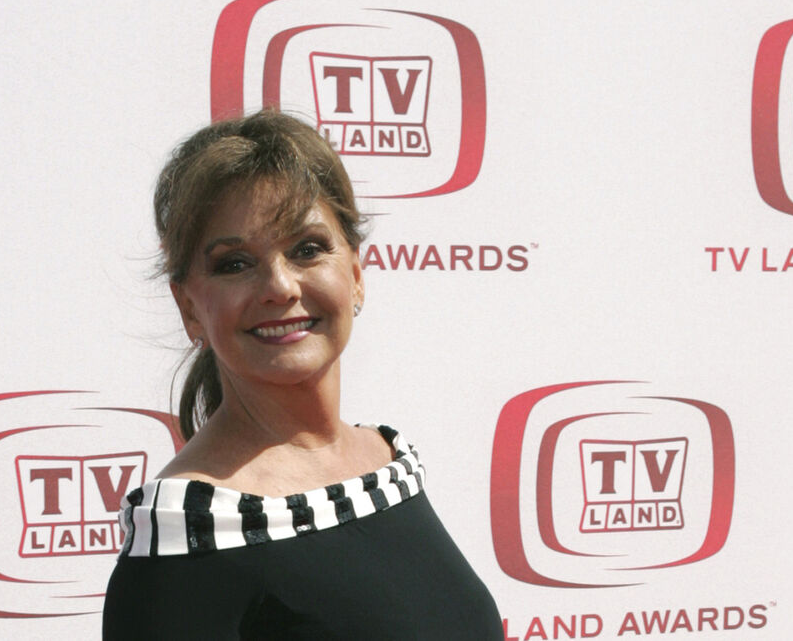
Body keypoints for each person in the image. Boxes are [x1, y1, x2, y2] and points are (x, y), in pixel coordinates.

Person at [102, 110, 501, 639]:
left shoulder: (389, 461)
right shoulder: (188, 531)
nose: (280, 287)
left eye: (307, 249)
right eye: (235, 263)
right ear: (190, 308)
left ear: (355, 275)